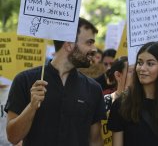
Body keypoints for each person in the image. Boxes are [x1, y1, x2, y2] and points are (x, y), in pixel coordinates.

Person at [5, 18, 106, 146]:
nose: (94, 49)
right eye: (89, 42)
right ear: (69, 45)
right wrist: (32, 107)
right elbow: (12, 137)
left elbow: (96, 141)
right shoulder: (24, 80)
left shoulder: (93, 89)